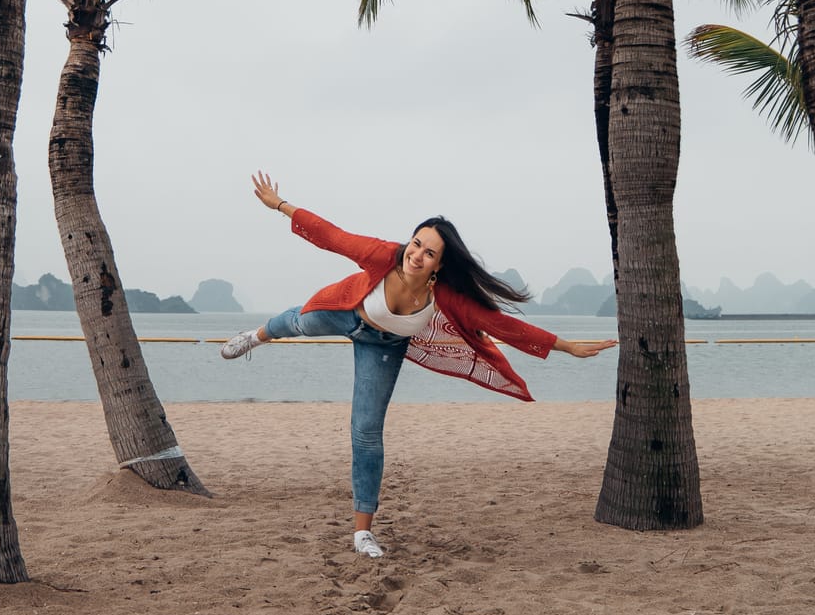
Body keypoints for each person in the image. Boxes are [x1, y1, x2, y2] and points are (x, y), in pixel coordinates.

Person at [221, 171, 617, 559]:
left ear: (439, 266)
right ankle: (256, 336)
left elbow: (499, 324)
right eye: (416, 244)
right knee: (297, 322)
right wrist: (280, 206)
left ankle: (362, 534)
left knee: (366, 433)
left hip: (384, 346)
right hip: (346, 311)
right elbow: (333, 237)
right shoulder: (383, 255)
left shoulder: (444, 295)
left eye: (429, 253)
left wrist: (565, 346)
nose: (417, 255)